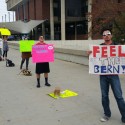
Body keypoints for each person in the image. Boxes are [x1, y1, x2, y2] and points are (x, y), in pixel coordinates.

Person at [87, 29, 125, 123]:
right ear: (102, 37)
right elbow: (94, 60)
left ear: (111, 36)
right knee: (104, 96)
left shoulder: (117, 46)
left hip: (114, 75)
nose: (106, 36)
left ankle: (124, 116)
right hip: (103, 76)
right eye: (104, 35)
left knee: (119, 96)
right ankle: (107, 114)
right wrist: (89, 55)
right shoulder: (99, 48)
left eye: (108, 34)